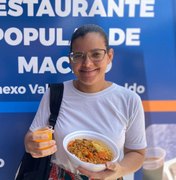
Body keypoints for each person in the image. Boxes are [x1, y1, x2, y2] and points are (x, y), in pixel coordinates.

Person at [24, 24, 147, 180]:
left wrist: (120, 170)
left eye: (96, 54)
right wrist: (31, 145)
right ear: (70, 60)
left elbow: (137, 153)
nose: (87, 63)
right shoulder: (55, 93)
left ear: (109, 56)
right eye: (78, 55)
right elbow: (32, 136)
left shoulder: (129, 100)